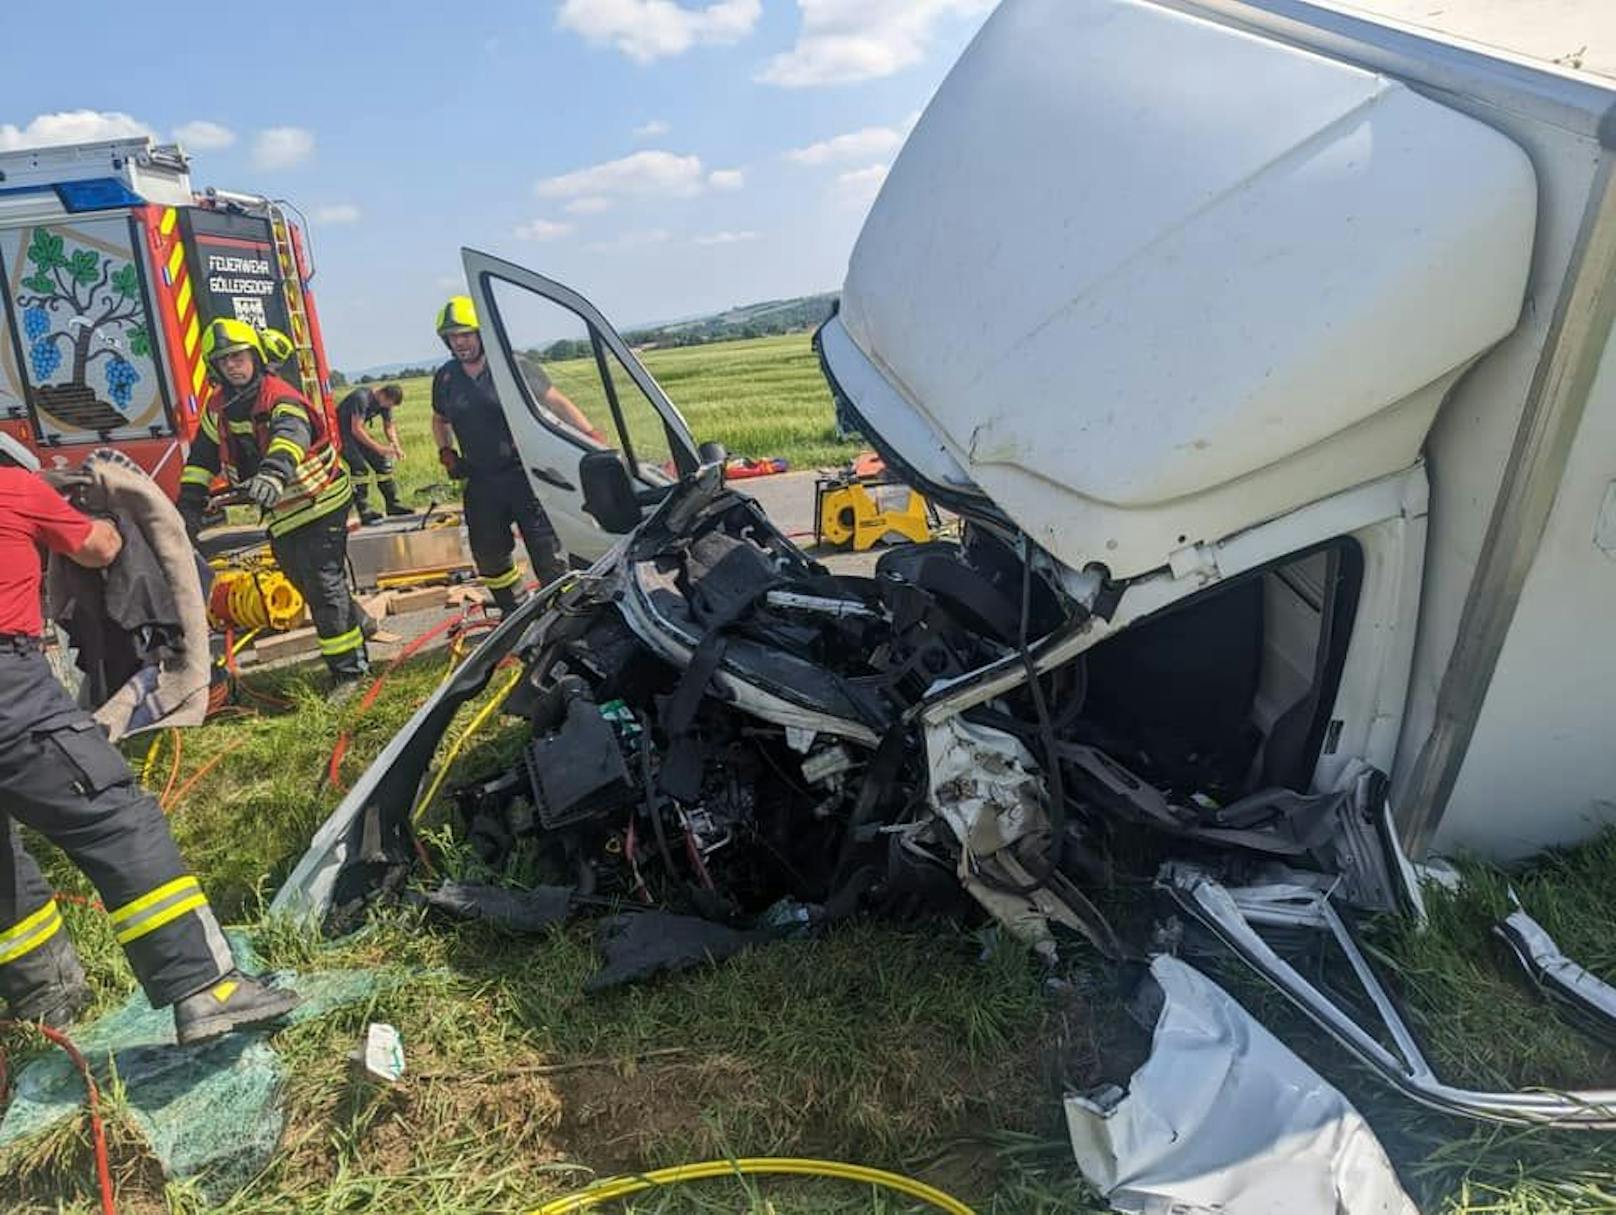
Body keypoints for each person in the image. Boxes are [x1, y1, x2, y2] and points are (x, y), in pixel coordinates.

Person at [0, 433, 297, 1041]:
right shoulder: (13, 490)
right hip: (10, 694)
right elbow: (100, 545)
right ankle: (204, 987)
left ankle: (45, 1002)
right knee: (115, 818)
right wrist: (52, 503)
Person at [177, 319, 371, 686]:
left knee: (321, 582)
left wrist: (273, 472)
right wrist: (188, 505)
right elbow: (201, 459)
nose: (233, 365)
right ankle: (359, 622)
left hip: (322, 499)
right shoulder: (217, 407)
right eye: (224, 359)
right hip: (286, 511)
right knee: (299, 574)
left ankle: (350, 673)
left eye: (238, 355)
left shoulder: (278, 395)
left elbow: (290, 435)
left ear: (255, 355)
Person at [431, 295, 593, 611]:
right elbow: (439, 419)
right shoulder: (447, 377)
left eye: (466, 334)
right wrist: (445, 450)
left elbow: (556, 401)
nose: (460, 342)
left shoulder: (513, 366)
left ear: (481, 333)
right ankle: (514, 609)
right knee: (488, 553)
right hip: (480, 480)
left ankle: (567, 614)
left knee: (548, 553)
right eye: (453, 337)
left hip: (527, 475)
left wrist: (591, 438)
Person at [338, 383, 409, 524]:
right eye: (388, 404)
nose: (388, 408)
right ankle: (364, 511)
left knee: (383, 463)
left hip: (356, 432)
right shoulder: (361, 398)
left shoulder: (385, 403)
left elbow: (389, 426)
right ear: (382, 395)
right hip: (342, 433)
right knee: (359, 468)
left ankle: (393, 505)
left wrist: (396, 447)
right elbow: (356, 429)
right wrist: (378, 448)